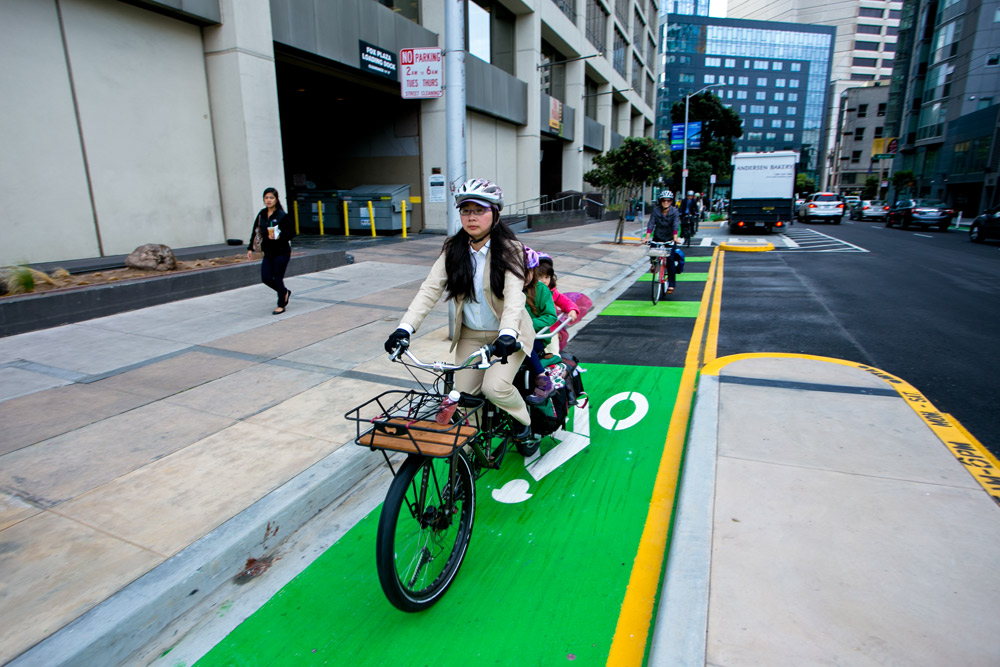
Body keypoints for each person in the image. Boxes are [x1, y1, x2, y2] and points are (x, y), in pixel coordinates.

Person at [383, 178, 537, 442]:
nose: (471, 217)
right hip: (471, 336)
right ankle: (470, 449)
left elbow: (514, 296)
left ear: (495, 213)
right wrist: (404, 328)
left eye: (479, 210)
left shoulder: (511, 250)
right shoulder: (453, 249)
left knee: (495, 388)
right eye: (465, 211)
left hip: (508, 337)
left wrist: (508, 334)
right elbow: (430, 290)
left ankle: (523, 421)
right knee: (461, 398)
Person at [247, 187, 296, 315]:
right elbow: (255, 231)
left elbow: (292, 233)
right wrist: (250, 248)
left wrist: (280, 236)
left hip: (281, 251)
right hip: (268, 252)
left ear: (276, 199)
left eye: (271, 198)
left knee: (278, 277)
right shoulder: (262, 214)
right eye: (266, 198)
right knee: (266, 278)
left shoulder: (282, 215)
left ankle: (281, 304)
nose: (268, 200)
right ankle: (284, 292)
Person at [520, 247, 558, 405]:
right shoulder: (508, 289)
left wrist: (528, 325)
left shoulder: (541, 289)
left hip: (536, 337)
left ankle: (544, 381)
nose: (523, 276)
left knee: (523, 344)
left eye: (528, 271)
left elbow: (551, 316)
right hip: (511, 333)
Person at [644, 190, 681, 295]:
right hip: (658, 236)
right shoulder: (656, 211)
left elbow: (675, 225)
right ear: (660, 201)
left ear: (671, 202)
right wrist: (646, 237)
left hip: (669, 238)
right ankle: (654, 264)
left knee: (670, 261)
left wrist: (675, 238)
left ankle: (672, 284)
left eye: (668, 201)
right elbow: (651, 224)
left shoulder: (674, 212)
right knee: (652, 250)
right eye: (664, 200)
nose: (666, 202)